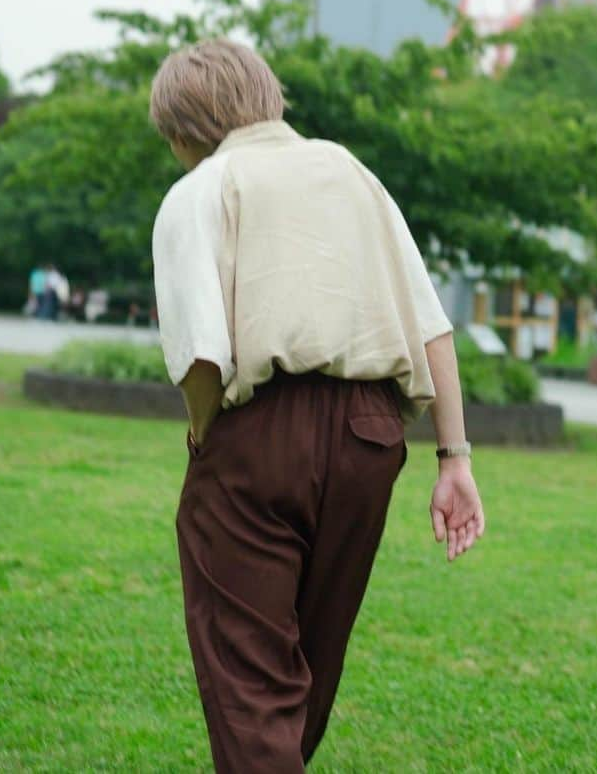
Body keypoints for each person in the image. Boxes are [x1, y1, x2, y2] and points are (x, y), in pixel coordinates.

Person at [150, 39, 485, 772]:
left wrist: (212, 445)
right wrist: (454, 459)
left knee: (252, 682)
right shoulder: (351, 173)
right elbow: (430, 326)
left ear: (181, 130)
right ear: (268, 96)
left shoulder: (202, 190)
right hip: (370, 439)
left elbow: (202, 357)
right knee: (306, 670)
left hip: (259, 434)